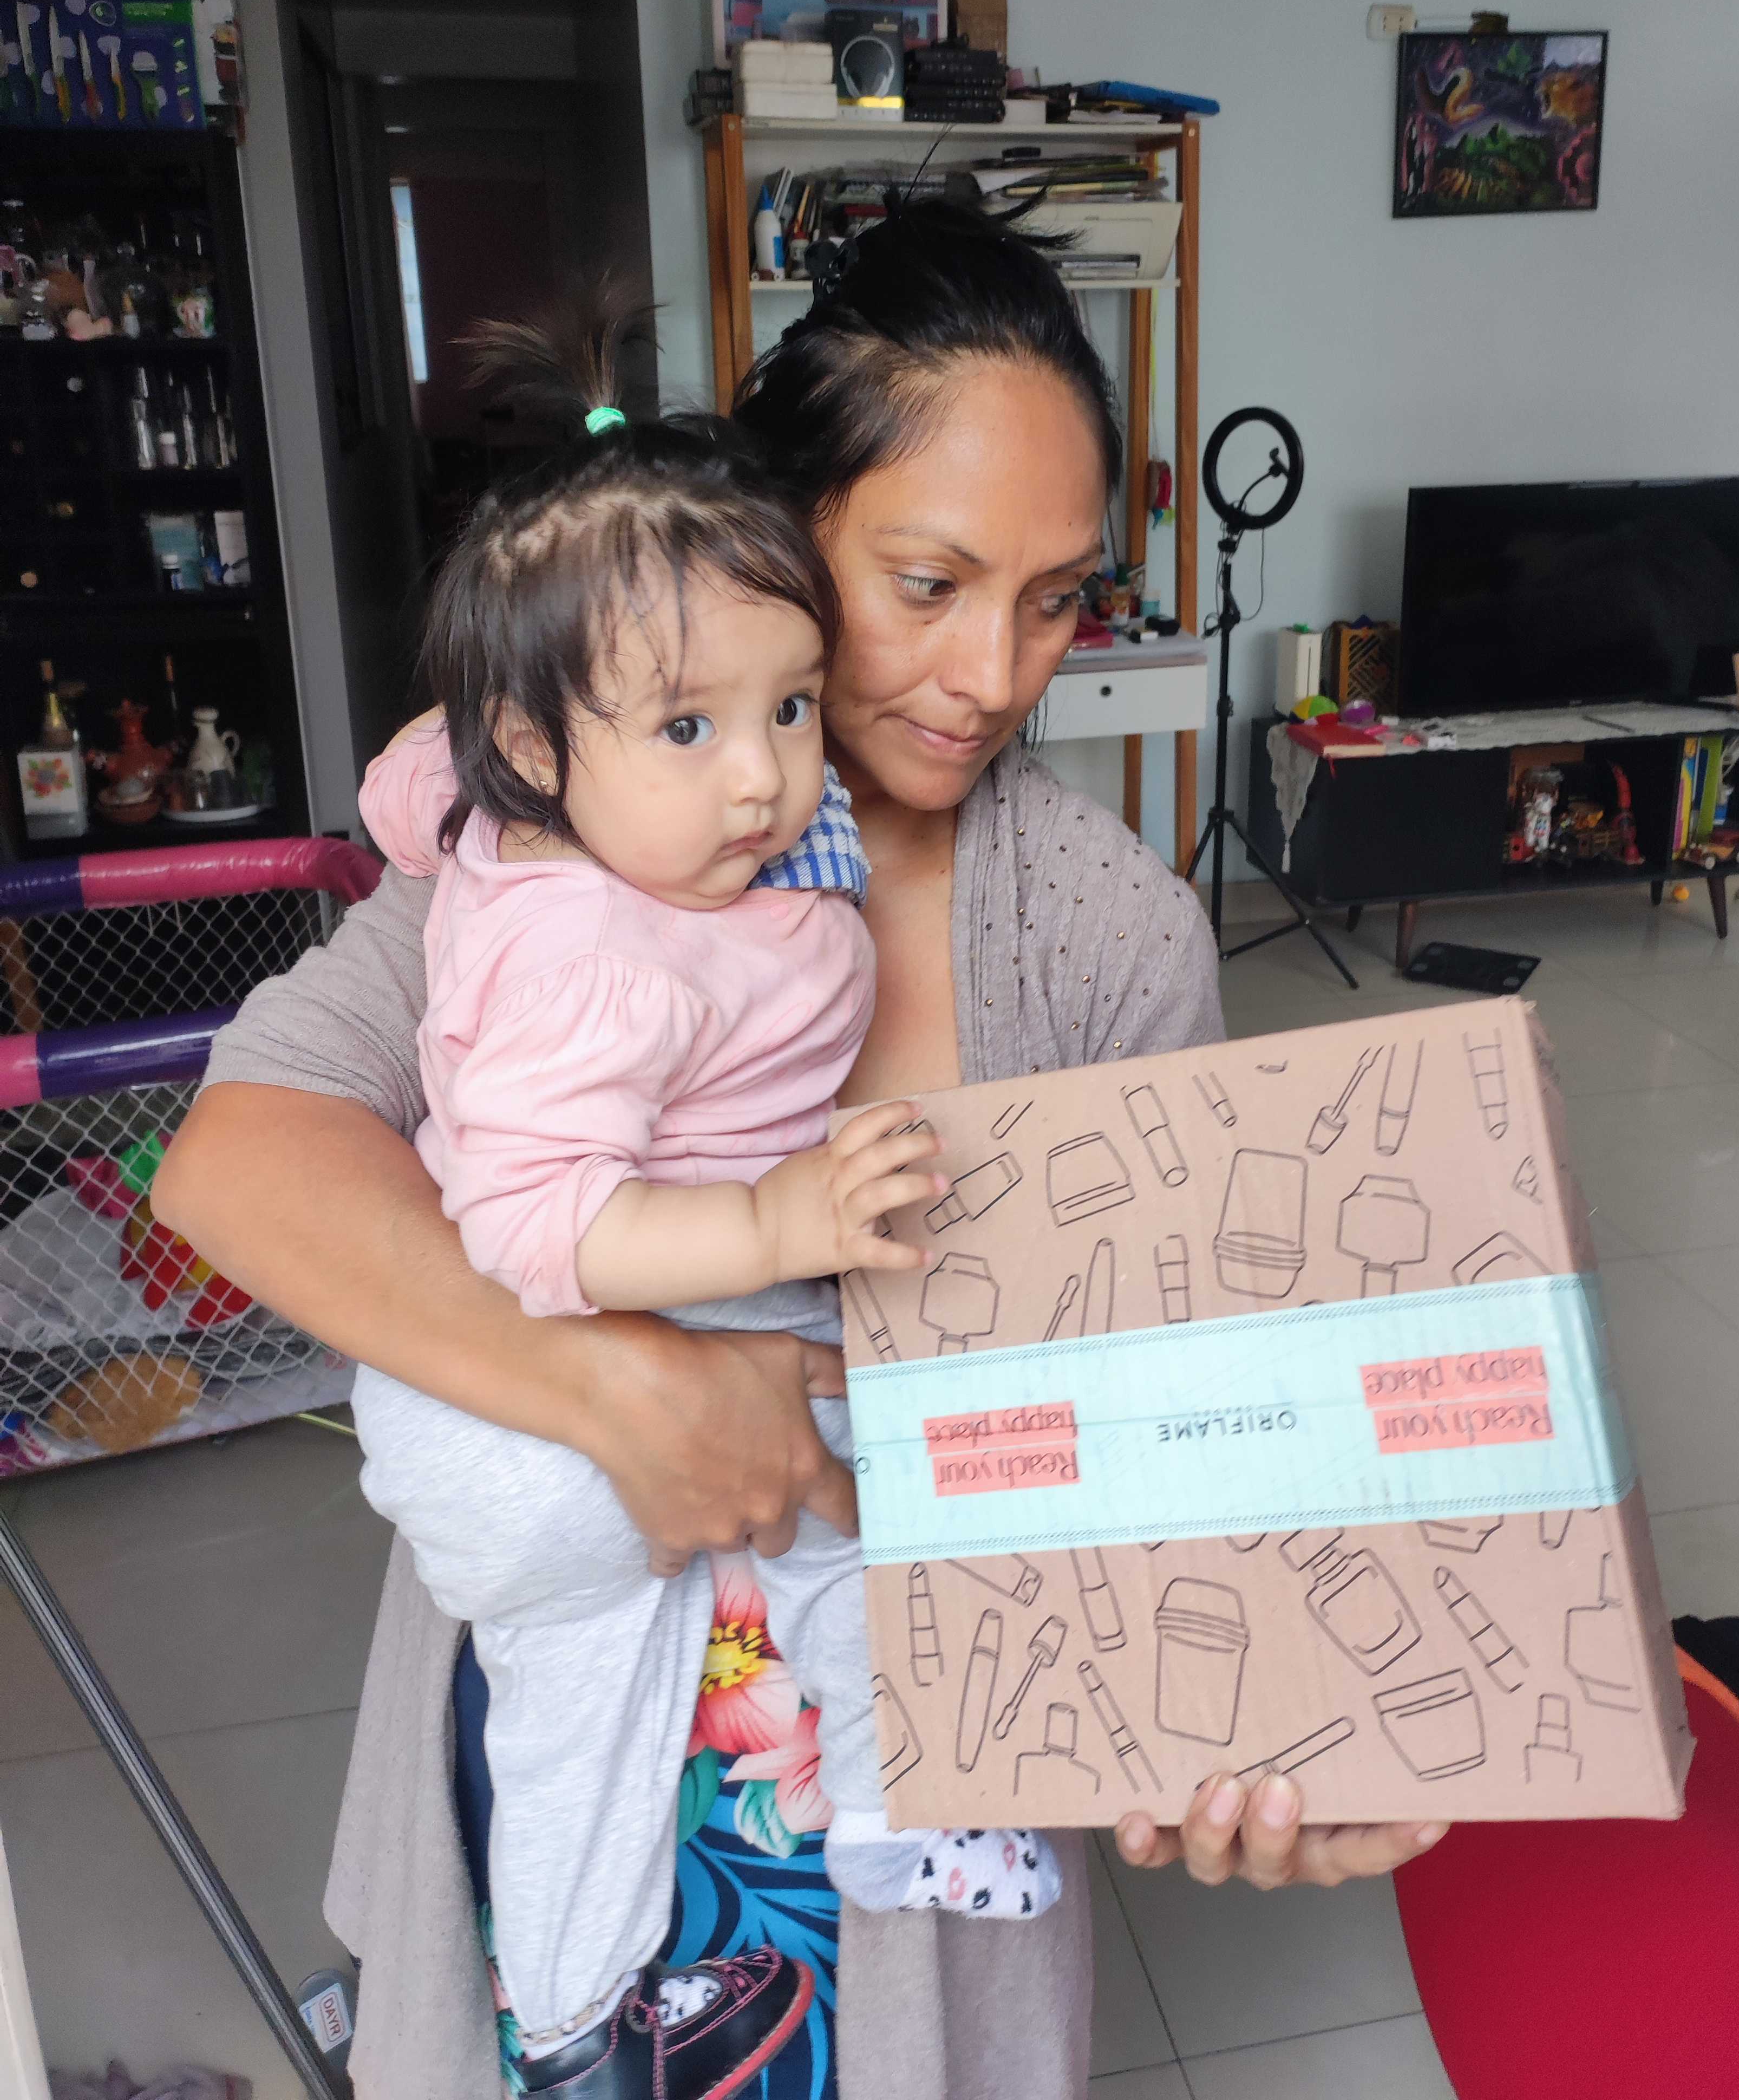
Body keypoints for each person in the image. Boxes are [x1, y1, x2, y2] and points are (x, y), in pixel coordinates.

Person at [155, 201, 1440, 2100]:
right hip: (567, 1725)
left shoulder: (1106, 938)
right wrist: (630, 1394)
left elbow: (1166, 1425)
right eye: (927, 583)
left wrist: (1269, 1727)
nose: (990, 673)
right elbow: (239, 1159)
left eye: (1056, 599)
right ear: (779, 531)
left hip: (892, 1826)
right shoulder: (577, 815)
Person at [350, 318, 1058, 2094]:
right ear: (535, 748)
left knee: (752, 1593)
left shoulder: (540, 811)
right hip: (549, 1390)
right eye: (688, 726)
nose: (759, 777)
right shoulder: (598, 945)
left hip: (583, 1370)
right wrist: (774, 1226)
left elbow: (411, 781)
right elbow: (531, 1224)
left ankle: (755, 1894)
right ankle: (602, 1989)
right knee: (687, 1640)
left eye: (787, 707)